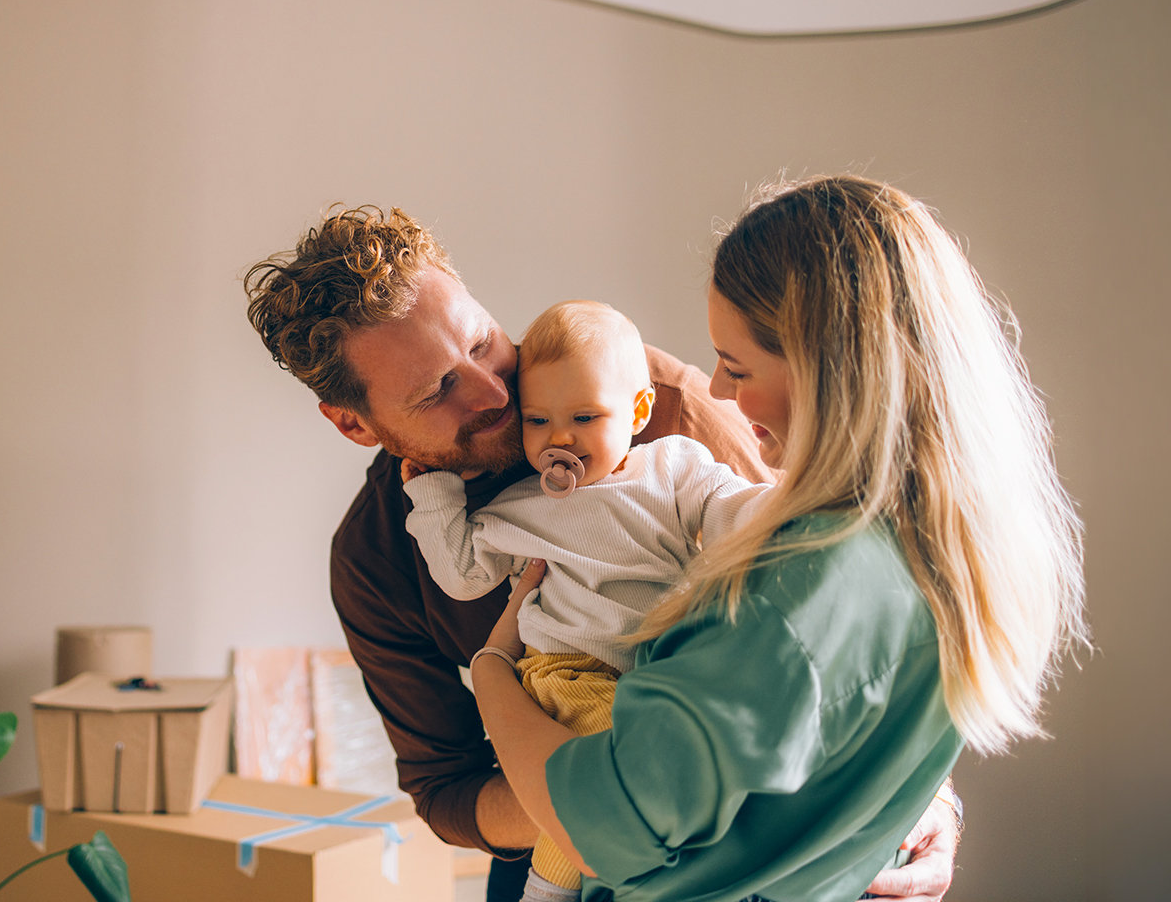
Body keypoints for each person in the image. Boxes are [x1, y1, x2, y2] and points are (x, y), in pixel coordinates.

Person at [243, 204, 962, 902]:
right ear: (352, 423)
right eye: (439, 390)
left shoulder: (649, 400)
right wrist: (597, 798)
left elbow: (834, 590)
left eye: (483, 342)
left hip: (757, 786)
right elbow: (445, 789)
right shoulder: (377, 560)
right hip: (571, 811)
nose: (495, 391)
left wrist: (921, 795)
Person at [467, 175, 1088, 901]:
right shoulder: (936, 544)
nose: (720, 395)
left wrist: (492, 673)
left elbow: (603, 828)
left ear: (833, 370)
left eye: (735, 367)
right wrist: (931, 808)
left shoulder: (793, 588)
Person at [403, 299, 768, 899]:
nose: (560, 438)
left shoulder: (673, 467)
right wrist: (436, 495)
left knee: (696, 763)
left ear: (639, 409)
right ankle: (548, 890)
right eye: (538, 422)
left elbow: (731, 511)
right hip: (572, 672)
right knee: (600, 772)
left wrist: (794, 509)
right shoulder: (523, 504)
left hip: (663, 676)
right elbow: (465, 573)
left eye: (585, 417)